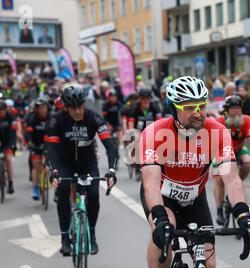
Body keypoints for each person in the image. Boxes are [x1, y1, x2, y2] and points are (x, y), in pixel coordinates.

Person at [139, 76, 250, 268]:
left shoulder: (217, 131)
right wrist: (159, 219)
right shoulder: (154, 133)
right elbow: (151, 183)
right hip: (163, 197)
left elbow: (231, 178)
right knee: (165, 233)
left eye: (202, 105)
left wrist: (243, 214)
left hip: (195, 197)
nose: (198, 112)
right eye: (189, 107)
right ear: (174, 109)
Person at [47, 83, 118, 256]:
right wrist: (54, 170)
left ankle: (91, 235)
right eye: (73, 108)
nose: (78, 112)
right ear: (65, 107)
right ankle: (64, 238)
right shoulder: (57, 120)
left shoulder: (94, 118)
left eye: (80, 107)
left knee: (93, 194)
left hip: (88, 162)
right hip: (65, 163)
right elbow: (51, 150)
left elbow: (110, 146)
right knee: (63, 191)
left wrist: (111, 170)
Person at [213, 94, 250, 225]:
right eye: (233, 108)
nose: (236, 111)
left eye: (238, 107)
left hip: (239, 149)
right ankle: (219, 209)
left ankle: (234, 187)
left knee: (247, 162)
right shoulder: (219, 121)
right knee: (218, 177)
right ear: (227, 110)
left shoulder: (247, 120)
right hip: (221, 151)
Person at [127, 87, 162, 181]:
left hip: (152, 131)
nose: (145, 101)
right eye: (143, 99)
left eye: (147, 98)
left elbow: (160, 122)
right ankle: (138, 170)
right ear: (140, 99)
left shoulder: (154, 106)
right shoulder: (135, 107)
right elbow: (131, 123)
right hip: (138, 131)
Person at [25, 99, 51, 201]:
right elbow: (28, 133)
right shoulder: (32, 118)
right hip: (36, 144)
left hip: (49, 144)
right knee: (36, 165)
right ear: (37, 109)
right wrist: (30, 142)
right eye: (40, 108)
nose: (42, 110)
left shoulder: (51, 117)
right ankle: (35, 188)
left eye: (44, 108)